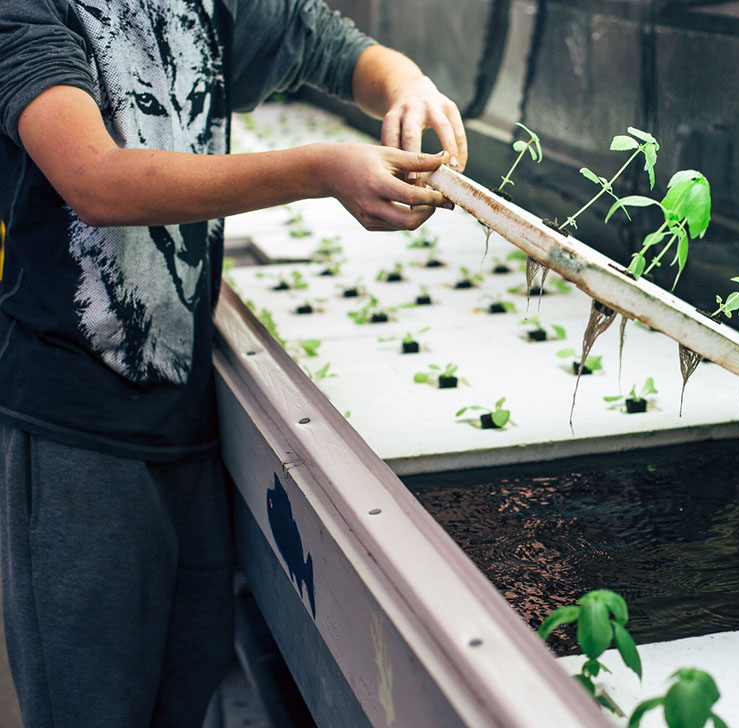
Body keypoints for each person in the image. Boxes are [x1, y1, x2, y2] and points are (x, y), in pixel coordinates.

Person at [0, 0, 467, 725]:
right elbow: (95, 179)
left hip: (186, 428)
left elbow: (334, 50)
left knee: (184, 694)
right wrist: (321, 169)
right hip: (77, 440)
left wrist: (405, 86)